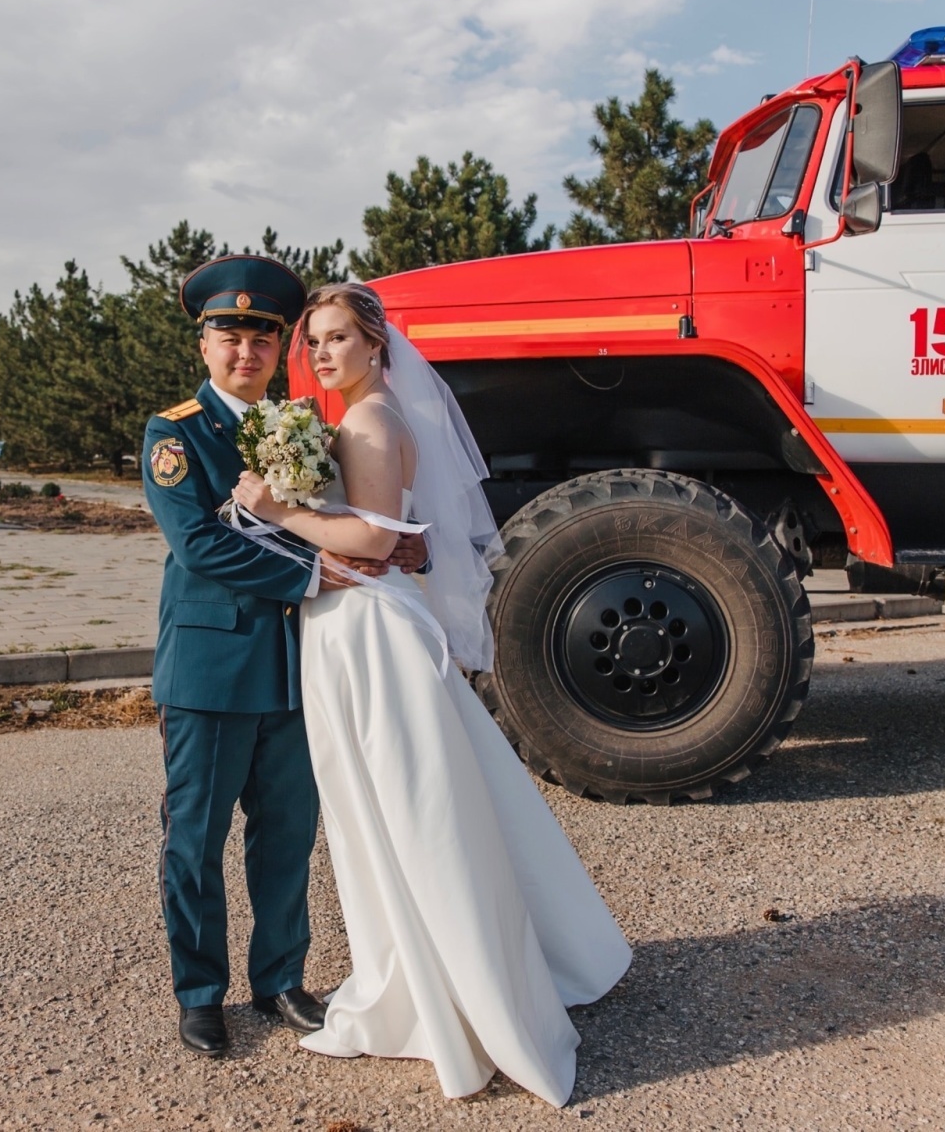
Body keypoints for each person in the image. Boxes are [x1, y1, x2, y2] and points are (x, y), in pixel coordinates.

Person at [231, 281, 631, 1107]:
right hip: (354, 624)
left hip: (369, 633)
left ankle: (454, 993)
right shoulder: (356, 419)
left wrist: (277, 510)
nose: (324, 353)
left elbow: (375, 539)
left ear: (378, 345)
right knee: (402, 804)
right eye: (315, 341)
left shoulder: (372, 421)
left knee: (411, 809)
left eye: (339, 337)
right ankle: (423, 969)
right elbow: (402, 540)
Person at [141, 256, 427, 1059]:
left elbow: (350, 515)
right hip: (210, 668)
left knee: (288, 831)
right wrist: (315, 570)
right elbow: (198, 544)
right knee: (194, 838)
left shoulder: (299, 424)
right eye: (231, 336)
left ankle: (279, 978)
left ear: (279, 348)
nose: (247, 352)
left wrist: (391, 550)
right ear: (204, 342)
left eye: (263, 337)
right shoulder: (176, 433)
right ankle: (201, 992)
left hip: (299, 664)